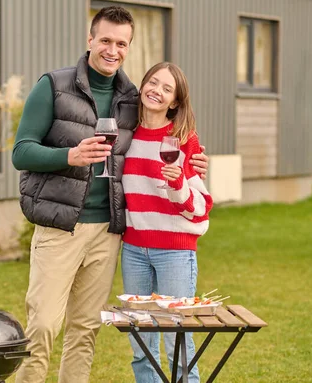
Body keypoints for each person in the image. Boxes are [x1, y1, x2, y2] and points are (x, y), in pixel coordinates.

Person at [12, 7, 209, 383]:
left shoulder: (131, 97)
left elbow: (167, 130)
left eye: (121, 43)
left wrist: (195, 157)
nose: (112, 50)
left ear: (128, 47)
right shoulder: (53, 85)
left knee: (85, 329)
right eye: (105, 40)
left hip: (108, 232)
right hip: (60, 230)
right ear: (90, 40)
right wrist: (68, 155)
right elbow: (21, 151)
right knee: (44, 327)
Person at [121, 62, 214, 383]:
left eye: (166, 89)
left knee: (177, 340)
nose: (156, 91)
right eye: (153, 82)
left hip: (175, 252)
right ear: (142, 84)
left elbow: (200, 208)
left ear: (175, 102)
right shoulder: (125, 134)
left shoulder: (184, 140)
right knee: (140, 343)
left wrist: (177, 184)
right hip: (133, 250)